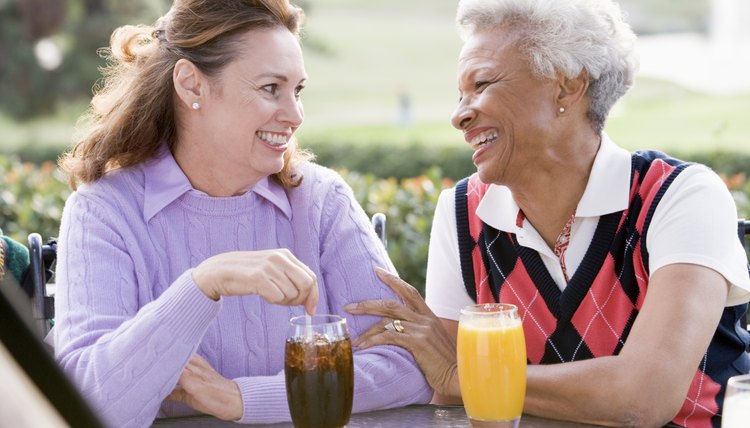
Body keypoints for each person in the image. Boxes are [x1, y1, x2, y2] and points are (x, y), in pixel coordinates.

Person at [345, 0, 750, 427]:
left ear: (566, 88)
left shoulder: (680, 196)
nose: (458, 115)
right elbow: (446, 385)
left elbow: (642, 396)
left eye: (481, 84)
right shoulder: (463, 212)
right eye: (460, 94)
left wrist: (468, 376)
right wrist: (459, 376)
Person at [53, 0, 431, 426]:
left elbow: (412, 362)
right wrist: (203, 284)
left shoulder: (321, 200)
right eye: (271, 88)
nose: (295, 115)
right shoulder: (105, 211)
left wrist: (241, 398)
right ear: (192, 85)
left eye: (298, 90)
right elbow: (85, 404)